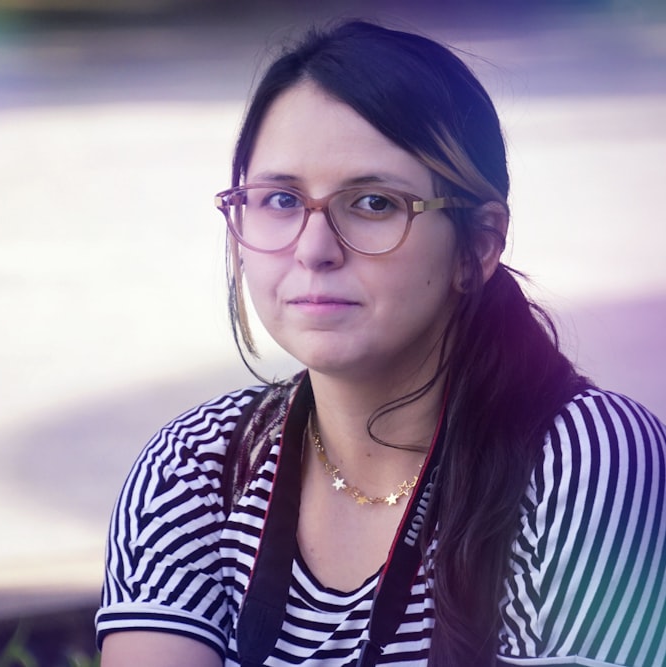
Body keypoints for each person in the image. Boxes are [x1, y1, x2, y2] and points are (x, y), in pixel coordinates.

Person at [95, 20, 666, 667]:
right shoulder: (195, 469)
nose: (314, 249)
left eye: (371, 203)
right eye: (280, 198)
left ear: (478, 245)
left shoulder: (581, 457)